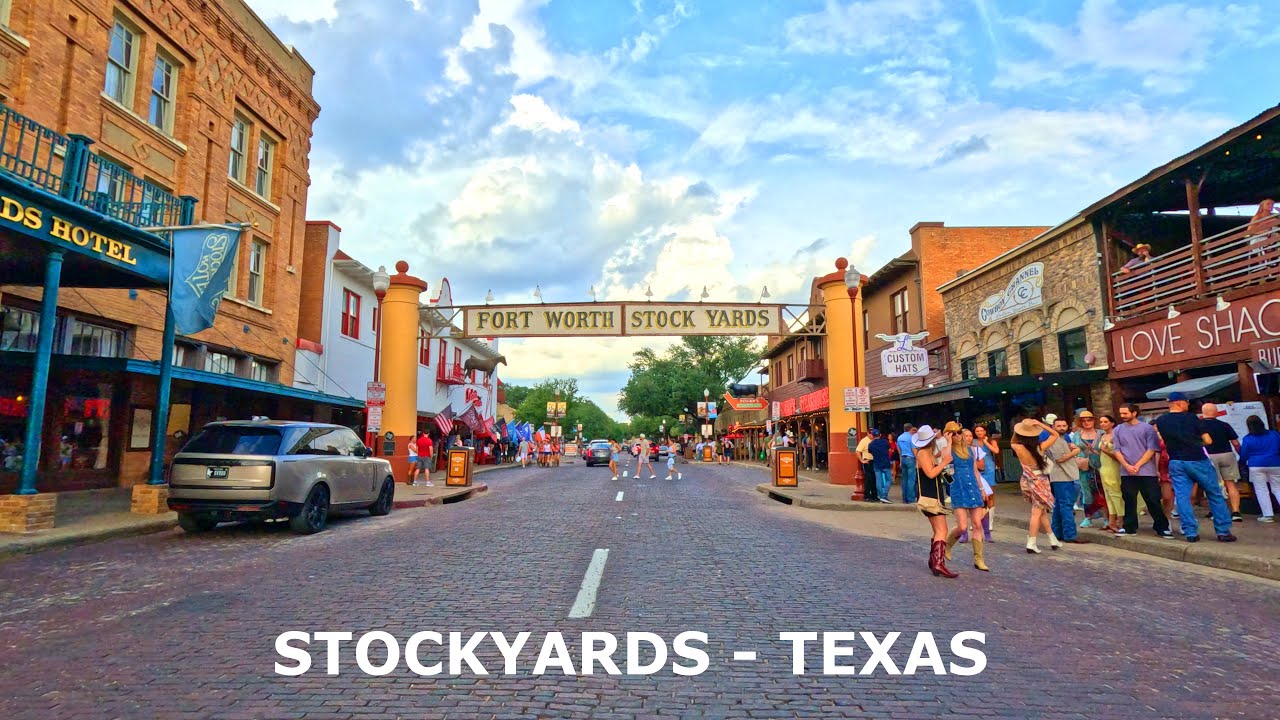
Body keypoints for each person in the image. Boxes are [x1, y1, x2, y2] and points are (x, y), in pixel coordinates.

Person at [1152, 392, 1236, 543]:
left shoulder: (1161, 420)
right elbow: (1208, 440)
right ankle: (1223, 531)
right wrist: (1197, 444)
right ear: (1179, 403)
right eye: (1186, 402)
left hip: (1176, 461)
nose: (1188, 404)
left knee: (1182, 497)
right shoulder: (1192, 418)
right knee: (1214, 494)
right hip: (1197, 459)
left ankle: (1190, 532)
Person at [1113, 403, 1172, 538]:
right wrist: (1127, 465)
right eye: (1121, 413)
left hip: (1146, 471)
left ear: (1134, 413)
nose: (1122, 416)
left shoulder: (1147, 429)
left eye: (1125, 413)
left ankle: (1161, 527)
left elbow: (1152, 449)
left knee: (1153, 499)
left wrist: (1137, 465)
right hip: (1126, 471)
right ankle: (1129, 527)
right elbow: (1116, 450)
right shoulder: (1118, 429)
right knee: (1129, 499)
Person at [912, 425, 958, 578]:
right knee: (942, 531)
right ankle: (938, 563)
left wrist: (949, 443)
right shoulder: (923, 454)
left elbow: (945, 457)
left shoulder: (928, 452)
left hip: (934, 495)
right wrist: (944, 462)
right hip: (930, 496)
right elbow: (931, 474)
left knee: (938, 530)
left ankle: (934, 561)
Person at [942, 424, 989, 572]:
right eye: (953, 433)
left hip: (973, 488)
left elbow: (975, 470)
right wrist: (952, 486)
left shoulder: (970, 450)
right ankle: (947, 545)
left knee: (977, 524)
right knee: (962, 526)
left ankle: (978, 559)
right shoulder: (947, 450)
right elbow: (945, 470)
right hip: (959, 489)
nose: (957, 435)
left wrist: (982, 489)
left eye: (959, 433)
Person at [1011, 418, 1061, 554]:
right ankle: (1031, 542)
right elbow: (1055, 435)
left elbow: (1013, 441)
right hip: (1039, 480)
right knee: (1037, 512)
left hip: (1027, 479)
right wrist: (1040, 424)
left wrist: (1019, 430)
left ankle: (1052, 539)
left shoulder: (1018, 447)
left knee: (1041, 512)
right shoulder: (1040, 447)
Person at [1199, 402, 1244, 523]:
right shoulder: (1225, 425)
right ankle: (1235, 512)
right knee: (1230, 484)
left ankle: (1215, 511)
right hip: (1227, 454)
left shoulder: (1199, 425)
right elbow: (1235, 443)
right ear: (1216, 412)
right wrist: (1241, 454)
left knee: (1212, 484)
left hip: (1208, 456)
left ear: (1203, 413)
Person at [1046, 416, 1087, 544]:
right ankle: (1070, 535)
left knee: (1059, 505)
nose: (1062, 428)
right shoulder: (1054, 440)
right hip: (1062, 476)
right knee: (1066, 506)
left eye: (1064, 426)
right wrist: (1076, 451)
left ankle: (1057, 533)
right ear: (1053, 427)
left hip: (1062, 476)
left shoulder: (1064, 439)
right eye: (1058, 426)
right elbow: (1060, 458)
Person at [1238, 414, 1280, 523]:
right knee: (1278, 488)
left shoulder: (1248, 439)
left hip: (1256, 465)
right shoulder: (1274, 434)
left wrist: (1242, 464)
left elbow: (1244, 455)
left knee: (1261, 490)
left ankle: (1267, 515)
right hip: (1275, 463)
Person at [1072, 411, 1104, 527]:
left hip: (1101, 466)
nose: (1086, 422)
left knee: (1102, 492)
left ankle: (1106, 517)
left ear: (1093, 421)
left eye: (1089, 420)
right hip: (1084, 467)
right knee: (1086, 492)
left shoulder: (1101, 433)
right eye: (1083, 421)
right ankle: (1088, 517)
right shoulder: (1077, 435)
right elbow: (1073, 450)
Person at [1096, 415, 1125, 533]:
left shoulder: (1116, 435)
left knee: (1116, 494)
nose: (1102, 424)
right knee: (1108, 495)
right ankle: (1111, 521)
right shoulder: (1102, 435)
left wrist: (1105, 450)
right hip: (1104, 467)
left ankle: (1120, 520)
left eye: (1105, 422)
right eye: (1101, 422)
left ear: (1112, 423)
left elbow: (1118, 455)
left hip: (1114, 468)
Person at [973, 424, 999, 540]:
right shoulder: (972, 442)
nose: (979, 433)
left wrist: (986, 442)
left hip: (988, 467)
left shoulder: (991, 440)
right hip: (976, 468)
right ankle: (977, 519)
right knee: (978, 494)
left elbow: (996, 451)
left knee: (990, 495)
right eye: (977, 431)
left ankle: (990, 522)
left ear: (985, 431)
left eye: (981, 430)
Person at [867, 429, 892, 504]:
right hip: (886, 463)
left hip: (876, 463)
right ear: (880, 435)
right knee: (889, 480)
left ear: (873, 435)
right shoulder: (885, 442)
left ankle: (880, 496)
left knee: (879, 480)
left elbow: (870, 452)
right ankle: (884, 495)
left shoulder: (871, 444)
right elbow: (889, 450)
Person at [897, 423, 918, 503]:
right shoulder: (911, 438)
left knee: (904, 479)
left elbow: (899, 450)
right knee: (911, 479)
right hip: (910, 458)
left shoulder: (899, 438)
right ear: (910, 428)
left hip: (903, 458)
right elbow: (913, 449)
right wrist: (917, 459)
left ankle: (904, 498)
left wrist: (900, 461)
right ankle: (911, 498)